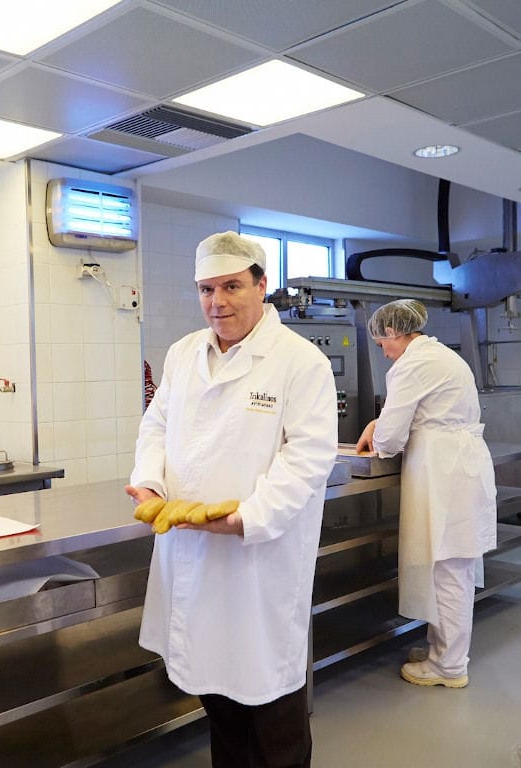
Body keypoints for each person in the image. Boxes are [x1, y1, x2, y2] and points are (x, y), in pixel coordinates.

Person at [125, 231, 338, 768]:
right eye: (205, 289)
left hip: (257, 559)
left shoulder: (299, 361)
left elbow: (309, 458)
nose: (216, 302)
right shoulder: (183, 354)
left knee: (270, 695)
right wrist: (148, 478)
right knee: (215, 692)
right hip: (192, 549)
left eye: (231, 287)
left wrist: (248, 518)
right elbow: (157, 423)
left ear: (261, 286)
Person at [355, 299, 496, 688]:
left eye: (383, 341)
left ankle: (449, 667)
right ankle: (441, 650)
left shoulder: (412, 365)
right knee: (449, 566)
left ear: (396, 333)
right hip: (459, 466)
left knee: (448, 569)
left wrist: (375, 435)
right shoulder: (438, 356)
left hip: (444, 472)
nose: (382, 350)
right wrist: (378, 424)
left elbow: (391, 436)